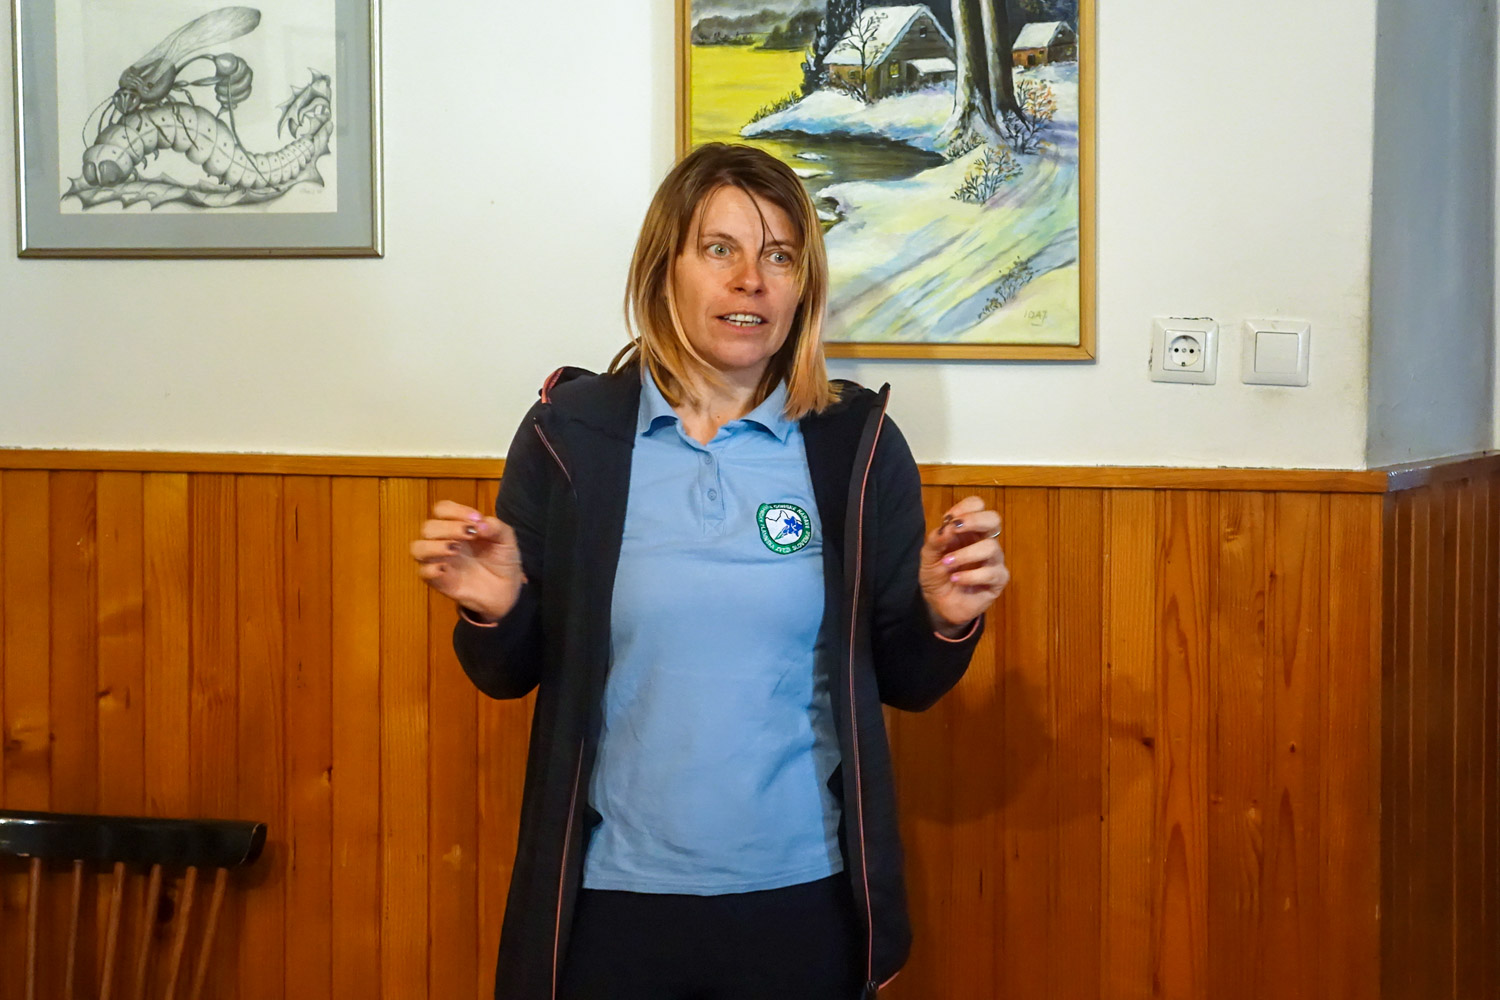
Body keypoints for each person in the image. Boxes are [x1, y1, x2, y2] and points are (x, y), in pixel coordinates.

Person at [411, 142, 1010, 1000]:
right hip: (610, 902)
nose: (750, 280)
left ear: (802, 288)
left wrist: (946, 616)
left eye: (780, 256)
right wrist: (497, 609)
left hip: (804, 899)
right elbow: (508, 674)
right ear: (666, 269)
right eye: (720, 249)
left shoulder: (857, 444)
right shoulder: (569, 435)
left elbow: (907, 680)